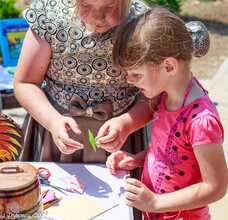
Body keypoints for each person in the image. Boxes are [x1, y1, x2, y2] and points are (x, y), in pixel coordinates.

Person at [101, 8, 228, 220]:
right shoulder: (166, 97)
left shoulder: (201, 121)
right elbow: (171, 154)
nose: (129, 80)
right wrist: (137, 159)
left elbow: (216, 187)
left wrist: (155, 202)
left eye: (136, 74)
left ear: (168, 66)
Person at [14, 0, 152, 164]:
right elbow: (26, 82)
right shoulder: (49, 16)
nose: (98, 17)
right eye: (86, 6)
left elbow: (154, 93)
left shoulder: (142, 22)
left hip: (121, 137)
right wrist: (52, 121)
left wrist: (128, 123)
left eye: (110, 6)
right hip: (55, 130)